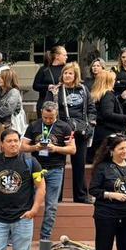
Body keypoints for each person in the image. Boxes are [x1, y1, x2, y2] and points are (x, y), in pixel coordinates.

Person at [21, 101, 75, 241]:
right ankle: (23, 235)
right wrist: (36, 147)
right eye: (45, 117)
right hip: (36, 169)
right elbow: (23, 146)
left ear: (56, 114)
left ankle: (45, 237)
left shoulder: (65, 127)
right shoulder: (34, 125)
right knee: (28, 202)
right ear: (41, 112)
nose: (48, 120)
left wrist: (55, 148)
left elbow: (72, 149)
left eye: (51, 118)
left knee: (51, 206)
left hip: (55, 169)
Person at [45, 62, 96, 203]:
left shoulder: (83, 89)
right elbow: (46, 108)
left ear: (76, 75)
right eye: (65, 73)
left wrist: (91, 125)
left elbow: (91, 108)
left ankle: (81, 196)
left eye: (70, 73)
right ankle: (57, 196)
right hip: (61, 131)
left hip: (80, 131)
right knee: (58, 164)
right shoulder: (55, 90)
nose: (67, 76)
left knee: (79, 164)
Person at [91, 70, 126, 158]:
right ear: (108, 81)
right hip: (108, 132)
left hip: (100, 132)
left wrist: (121, 98)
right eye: (113, 80)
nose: (115, 82)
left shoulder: (98, 94)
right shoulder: (108, 94)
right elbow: (107, 114)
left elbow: (106, 107)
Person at [32, 45, 67, 117]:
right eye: (64, 55)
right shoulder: (44, 69)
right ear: (57, 56)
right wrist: (48, 87)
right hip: (45, 103)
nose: (66, 57)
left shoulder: (66, 69)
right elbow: (35, 86)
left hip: (62, 104)